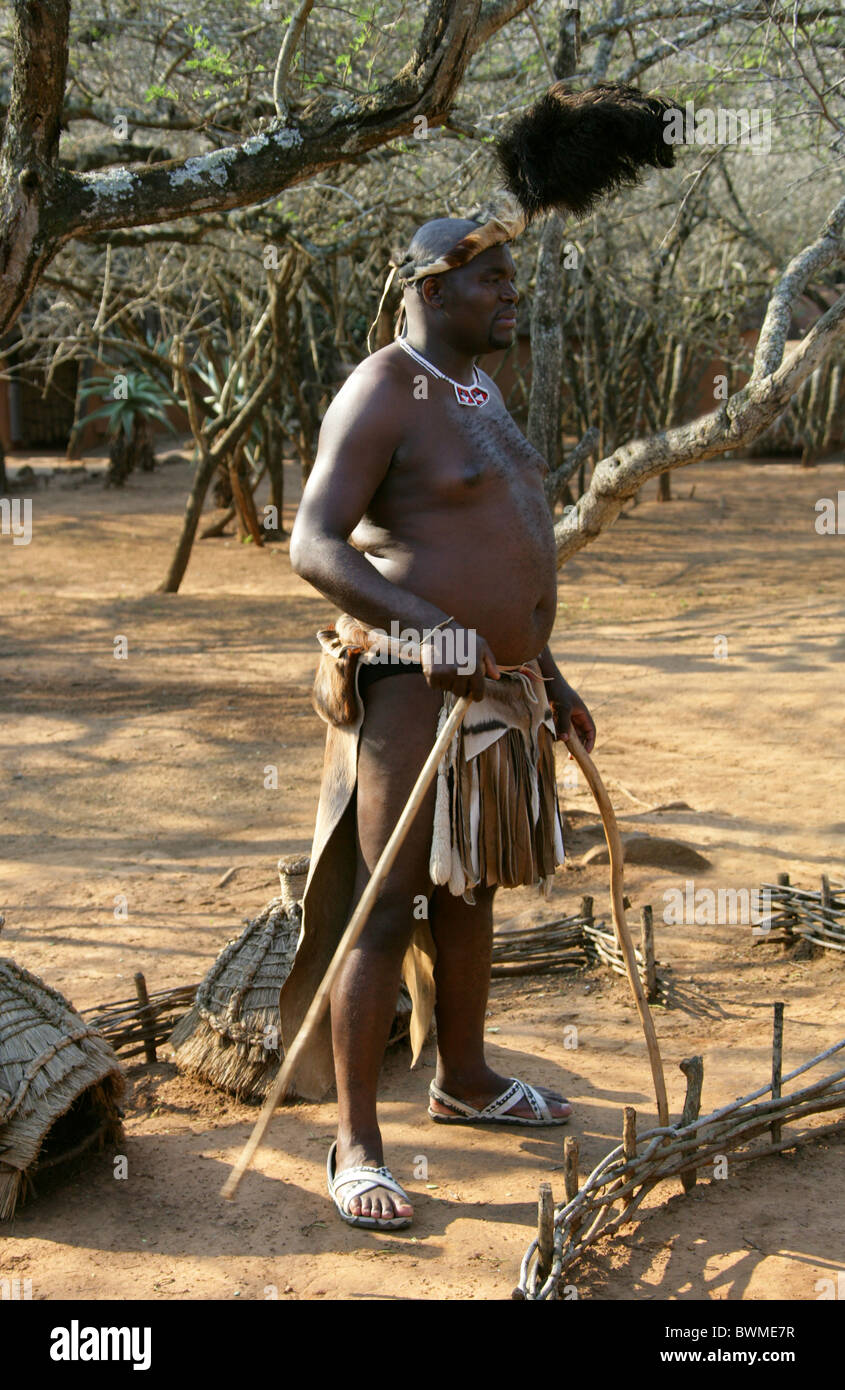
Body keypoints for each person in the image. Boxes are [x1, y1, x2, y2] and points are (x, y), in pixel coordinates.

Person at [287, 214, 596, 1230]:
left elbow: (495, 545)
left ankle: (463, 1076)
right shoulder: (382, 388)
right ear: (428, 286)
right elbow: (313, 544)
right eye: (492, 281)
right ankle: (357, 1147)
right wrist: (426, 628)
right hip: (416, 690)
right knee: (386, 905)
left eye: (512, 279)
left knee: (469, 889)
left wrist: (546, 668)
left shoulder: (477, 390)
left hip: (499, 691)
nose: (512, 295)